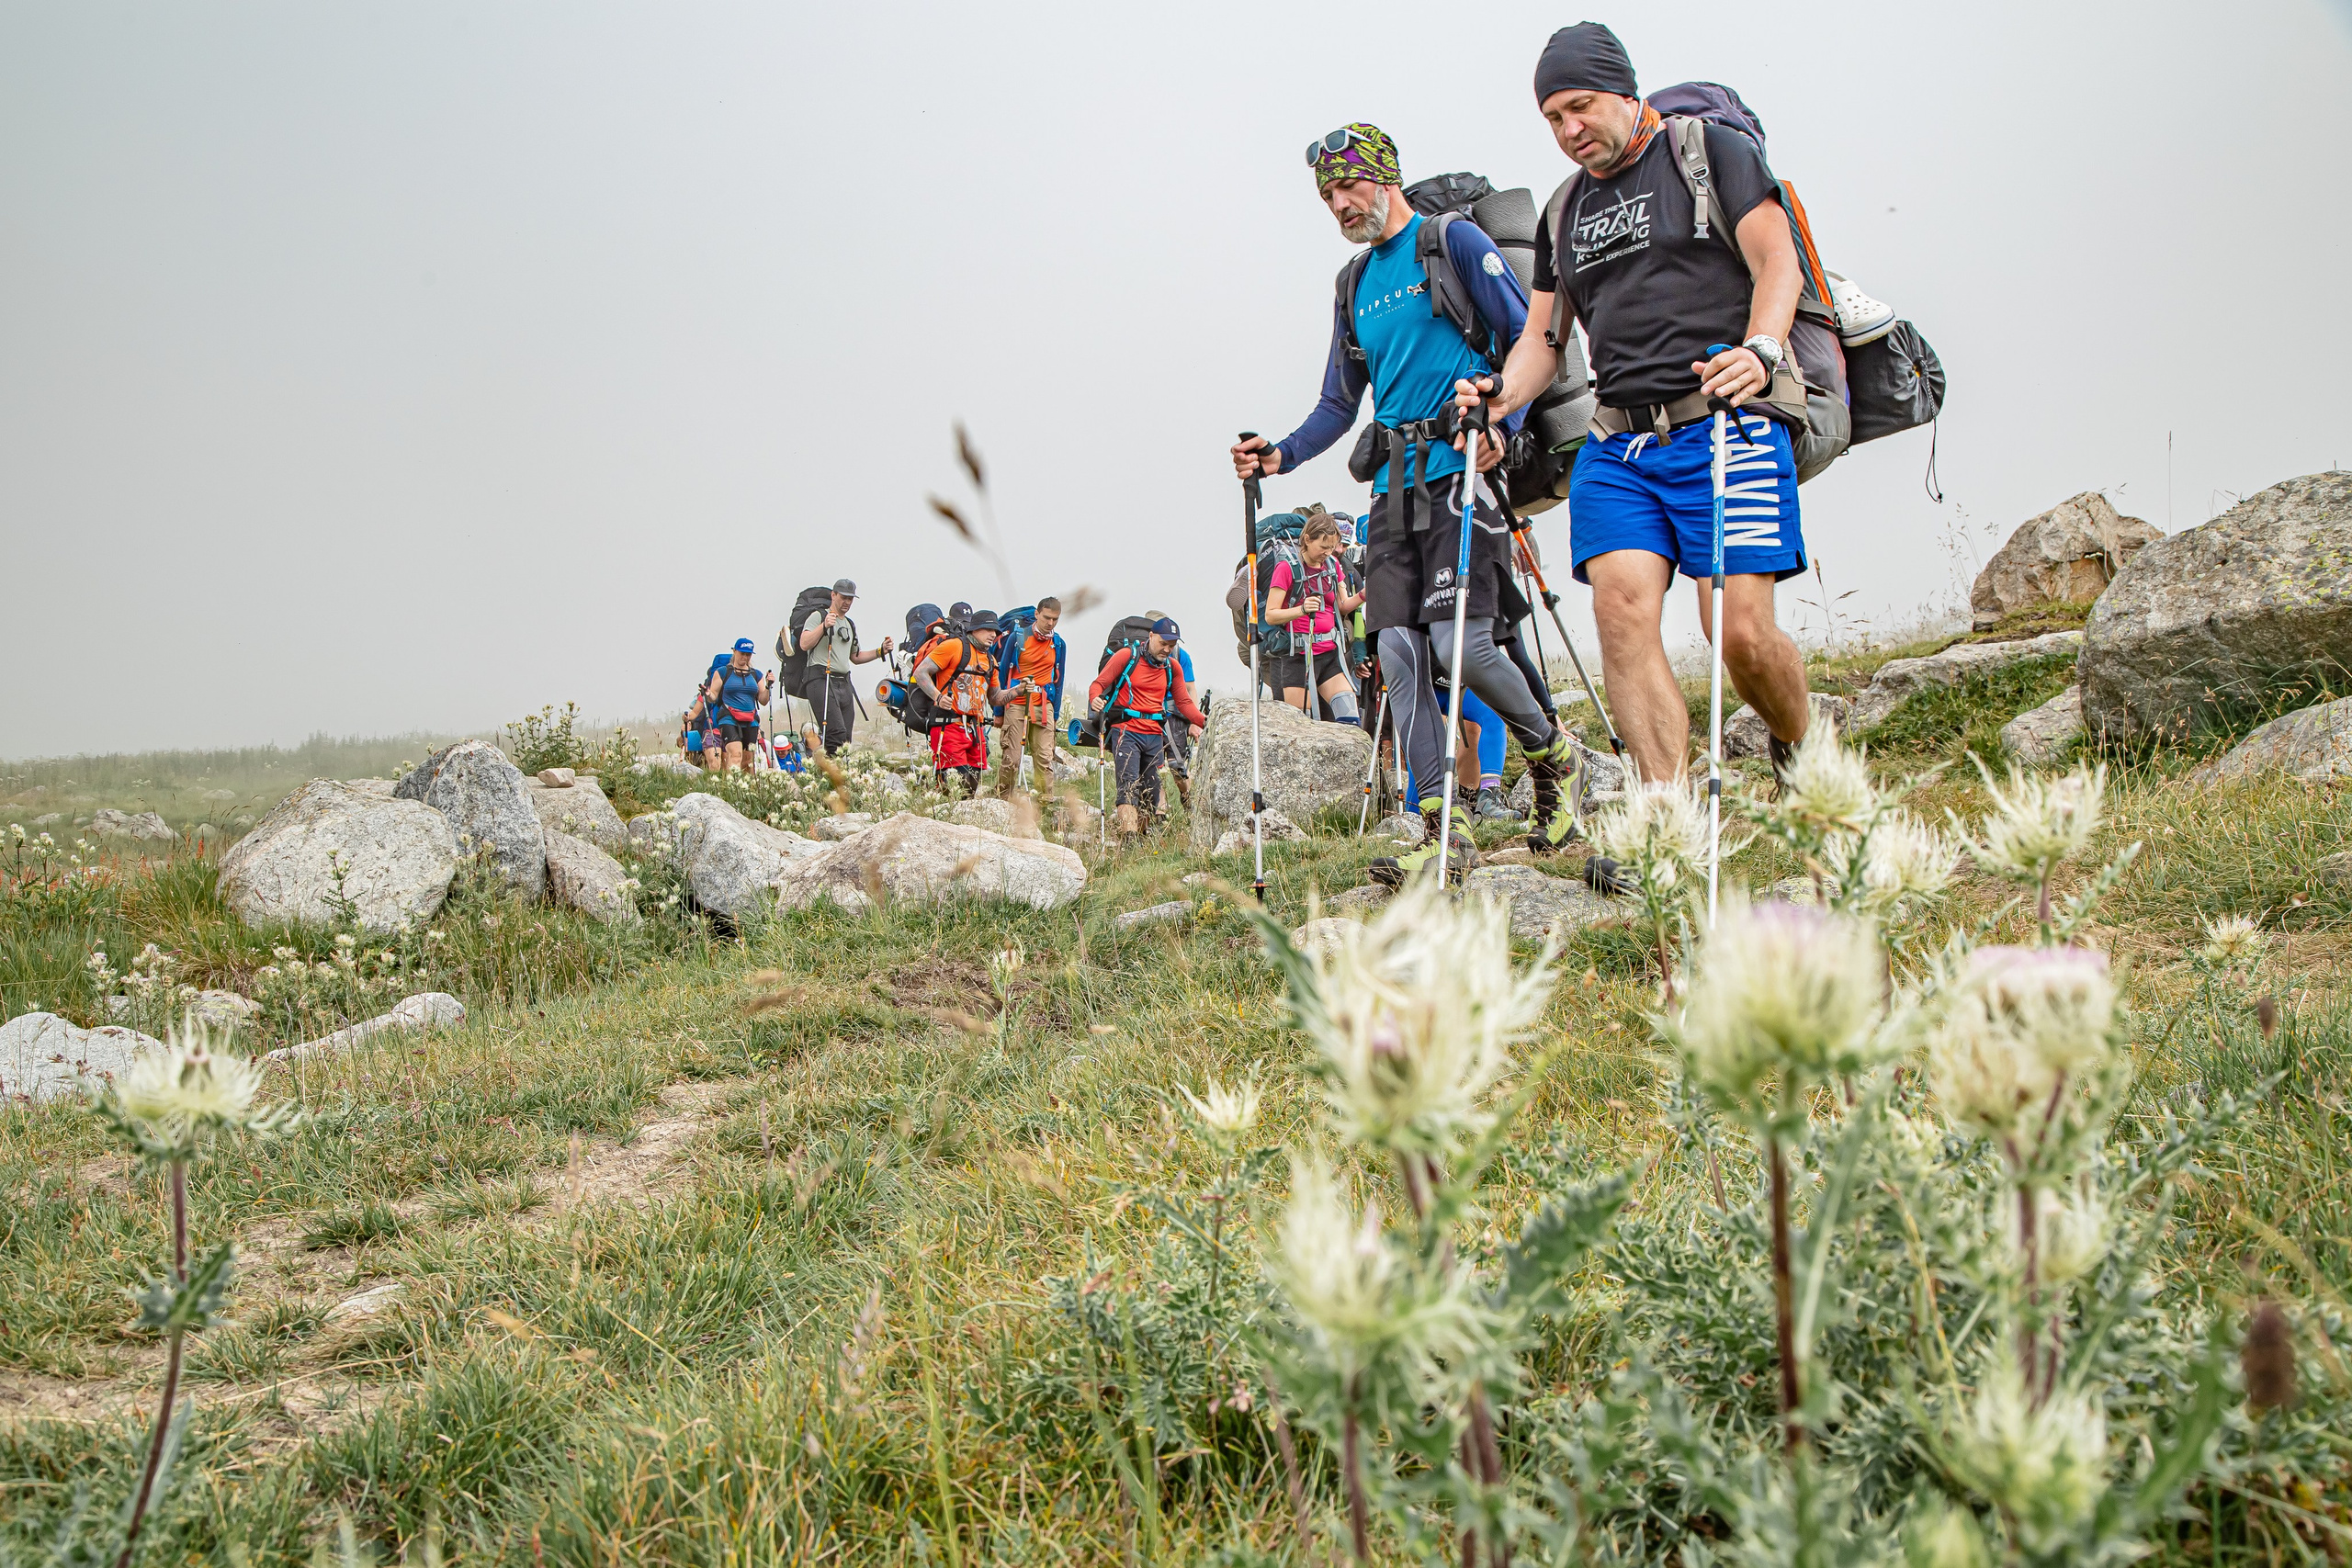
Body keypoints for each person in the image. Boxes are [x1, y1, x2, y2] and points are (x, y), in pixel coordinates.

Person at [1460, 21, 1815, 810]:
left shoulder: (1709, 152)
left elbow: (1775, 259)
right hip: (1619, 445)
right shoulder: (1562, 210)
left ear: (1624, 90)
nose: (1569, 130)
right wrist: (1501, 398)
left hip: (1729, 421)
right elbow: (1542, 342)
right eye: (1553, 118)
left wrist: (1760, 348)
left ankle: (1800, 743)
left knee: (1741, 635)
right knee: (1620, 608)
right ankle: (1671, 815)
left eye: (1580, 107)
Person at [1231, 120, 1585, 884]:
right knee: (1397, 652)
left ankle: (1554, 757)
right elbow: (1338, 402)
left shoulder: (1450, 242)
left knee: (1463, 647)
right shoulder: (1352, 285)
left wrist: (1504, 422)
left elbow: (1528, 335)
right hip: (1392, 488)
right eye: (1326, 195)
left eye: (1347, 185)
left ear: (1384, 175)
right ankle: (1440, 826)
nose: (1337, 204)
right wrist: (1280, 454)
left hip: (1462, 471)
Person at [1089, 617, 1208, 839]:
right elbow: (1098, 684)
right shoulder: (1127, 656)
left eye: (1171, 645)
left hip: (1154, 734)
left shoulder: (1173, 667)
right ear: (1151, 636)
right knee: (1128, 787)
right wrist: (1095, 698)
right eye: (1163, 643)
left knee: (1151, 793)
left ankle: (1142, 838)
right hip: (1126, 731)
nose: (1167, 649)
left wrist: (1205, 723)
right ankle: (1130, 840)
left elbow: (1183, 703)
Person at [1264, 513, 1364, 723]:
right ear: (1307, 539)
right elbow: (1271, 615)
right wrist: (1302, 609)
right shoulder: (1286, 568)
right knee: (1301, 726)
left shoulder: (1332, 566)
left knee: (1350, 719)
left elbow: (1342, 606)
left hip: (1330, 654)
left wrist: (1364, 595)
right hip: (1298, 656)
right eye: (1323, 547)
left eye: (1332, 547)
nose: (1328, 553)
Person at [796, 579, 893, 756]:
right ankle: (833, 776)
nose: (847, 602)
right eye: (844, 597)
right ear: (833, 595)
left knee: (846, 738)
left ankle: (835, 774)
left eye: (851, 598)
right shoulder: (818, 615)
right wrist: (824, 626)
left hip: (844, 683)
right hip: (820, 679)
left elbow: (855, 657)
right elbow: (804, 643)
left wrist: (880, 651)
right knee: (836, 733)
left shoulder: (849, 624)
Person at [916, 609, 1001, 794]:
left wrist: (1018, 691)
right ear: (975, 629)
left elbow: (995, 697)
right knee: (953, 788)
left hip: (975, 731)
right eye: (989, 629)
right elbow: (920, 672)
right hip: (949, 726)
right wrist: (938, 697)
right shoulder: (953, 647)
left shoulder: (991, 660)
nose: (993, 635)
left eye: (996, 631)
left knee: (970, 789)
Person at [993, 597, 1067, 800]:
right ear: (1036, 614)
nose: (1050, 623)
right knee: (1013, 757)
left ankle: (1045, 800)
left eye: (1055, 619)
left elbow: (1059, 681)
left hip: (1045, 703)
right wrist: (998, 712)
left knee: (1044, 756)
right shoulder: (1017, 638)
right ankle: (1003, 798)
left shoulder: (1058, 644)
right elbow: (1002, 675)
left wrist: (1056, 712)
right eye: (1046, 617)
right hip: (1016, 701)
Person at [703, 639, 772, 774]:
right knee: (735, 754)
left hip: (750, 720)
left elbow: (763, 700)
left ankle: (748, 791)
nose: (745, 657)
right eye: (742, 653)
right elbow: (714, 696)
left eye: (748, 654)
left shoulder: (756, 675)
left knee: (748, 760)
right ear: (734, 651)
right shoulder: (723, 672)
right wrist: (708, 694)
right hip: (728, 718)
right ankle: (731, 788)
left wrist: (768, 686)